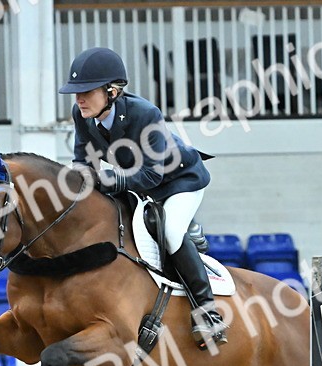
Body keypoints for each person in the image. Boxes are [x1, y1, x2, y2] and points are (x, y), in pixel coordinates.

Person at [58, 46, 226, 349]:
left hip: (179, 181)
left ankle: (208, 312)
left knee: (171, 232)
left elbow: (152, 176)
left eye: (86, 91)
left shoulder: (145, 114)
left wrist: (105, 181)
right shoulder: (82, 114)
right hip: (141, 184)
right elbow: (84, 160)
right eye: (76, 92)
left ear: (111, 91)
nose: (78, 99)